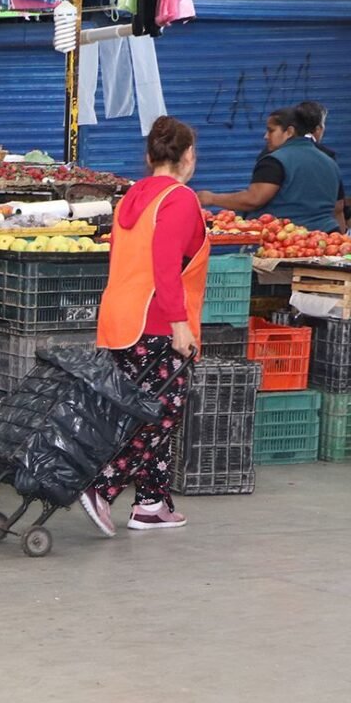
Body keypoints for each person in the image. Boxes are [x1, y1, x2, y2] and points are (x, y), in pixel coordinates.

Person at [81, 115, 209, 535]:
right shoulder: (179, 198)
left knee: (142, 409)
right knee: (161, 413)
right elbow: (166, 267)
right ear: (187, 155)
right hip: (155, 321)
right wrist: (179, 324)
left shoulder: (132, 196)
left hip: (121, 318)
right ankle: (104, 486)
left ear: (149, 156)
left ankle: (152, 504)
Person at [198, 107, 344, 233]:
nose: (265, 136)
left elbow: (254, 199)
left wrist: (212, 198)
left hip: (287, 242)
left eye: (271, 130)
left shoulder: (275, 161)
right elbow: (338, 208)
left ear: (289, 132)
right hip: (327, 237)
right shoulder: (329, 161)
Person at [293, 101, 347, 223]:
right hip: (318, 225)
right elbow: (338, 206)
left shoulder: (276, 151)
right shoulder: (326, 155)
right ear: (318, 128)